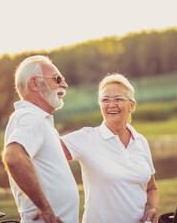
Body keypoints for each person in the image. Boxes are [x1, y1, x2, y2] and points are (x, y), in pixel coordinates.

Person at [60, 73, 159, 223]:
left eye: (118, 99)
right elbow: (44, 154)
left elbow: (151, 188)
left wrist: (152, 208)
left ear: (131, 105)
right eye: (105, 100)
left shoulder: (141, 141)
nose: (111, 105)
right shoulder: (87, 138)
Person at [2, 55, 79, 223]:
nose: (64, 85)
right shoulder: (31, 117)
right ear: (35, 83)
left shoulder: (39, 119)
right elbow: (13, 157)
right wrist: (45, 209)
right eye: (57, 79)